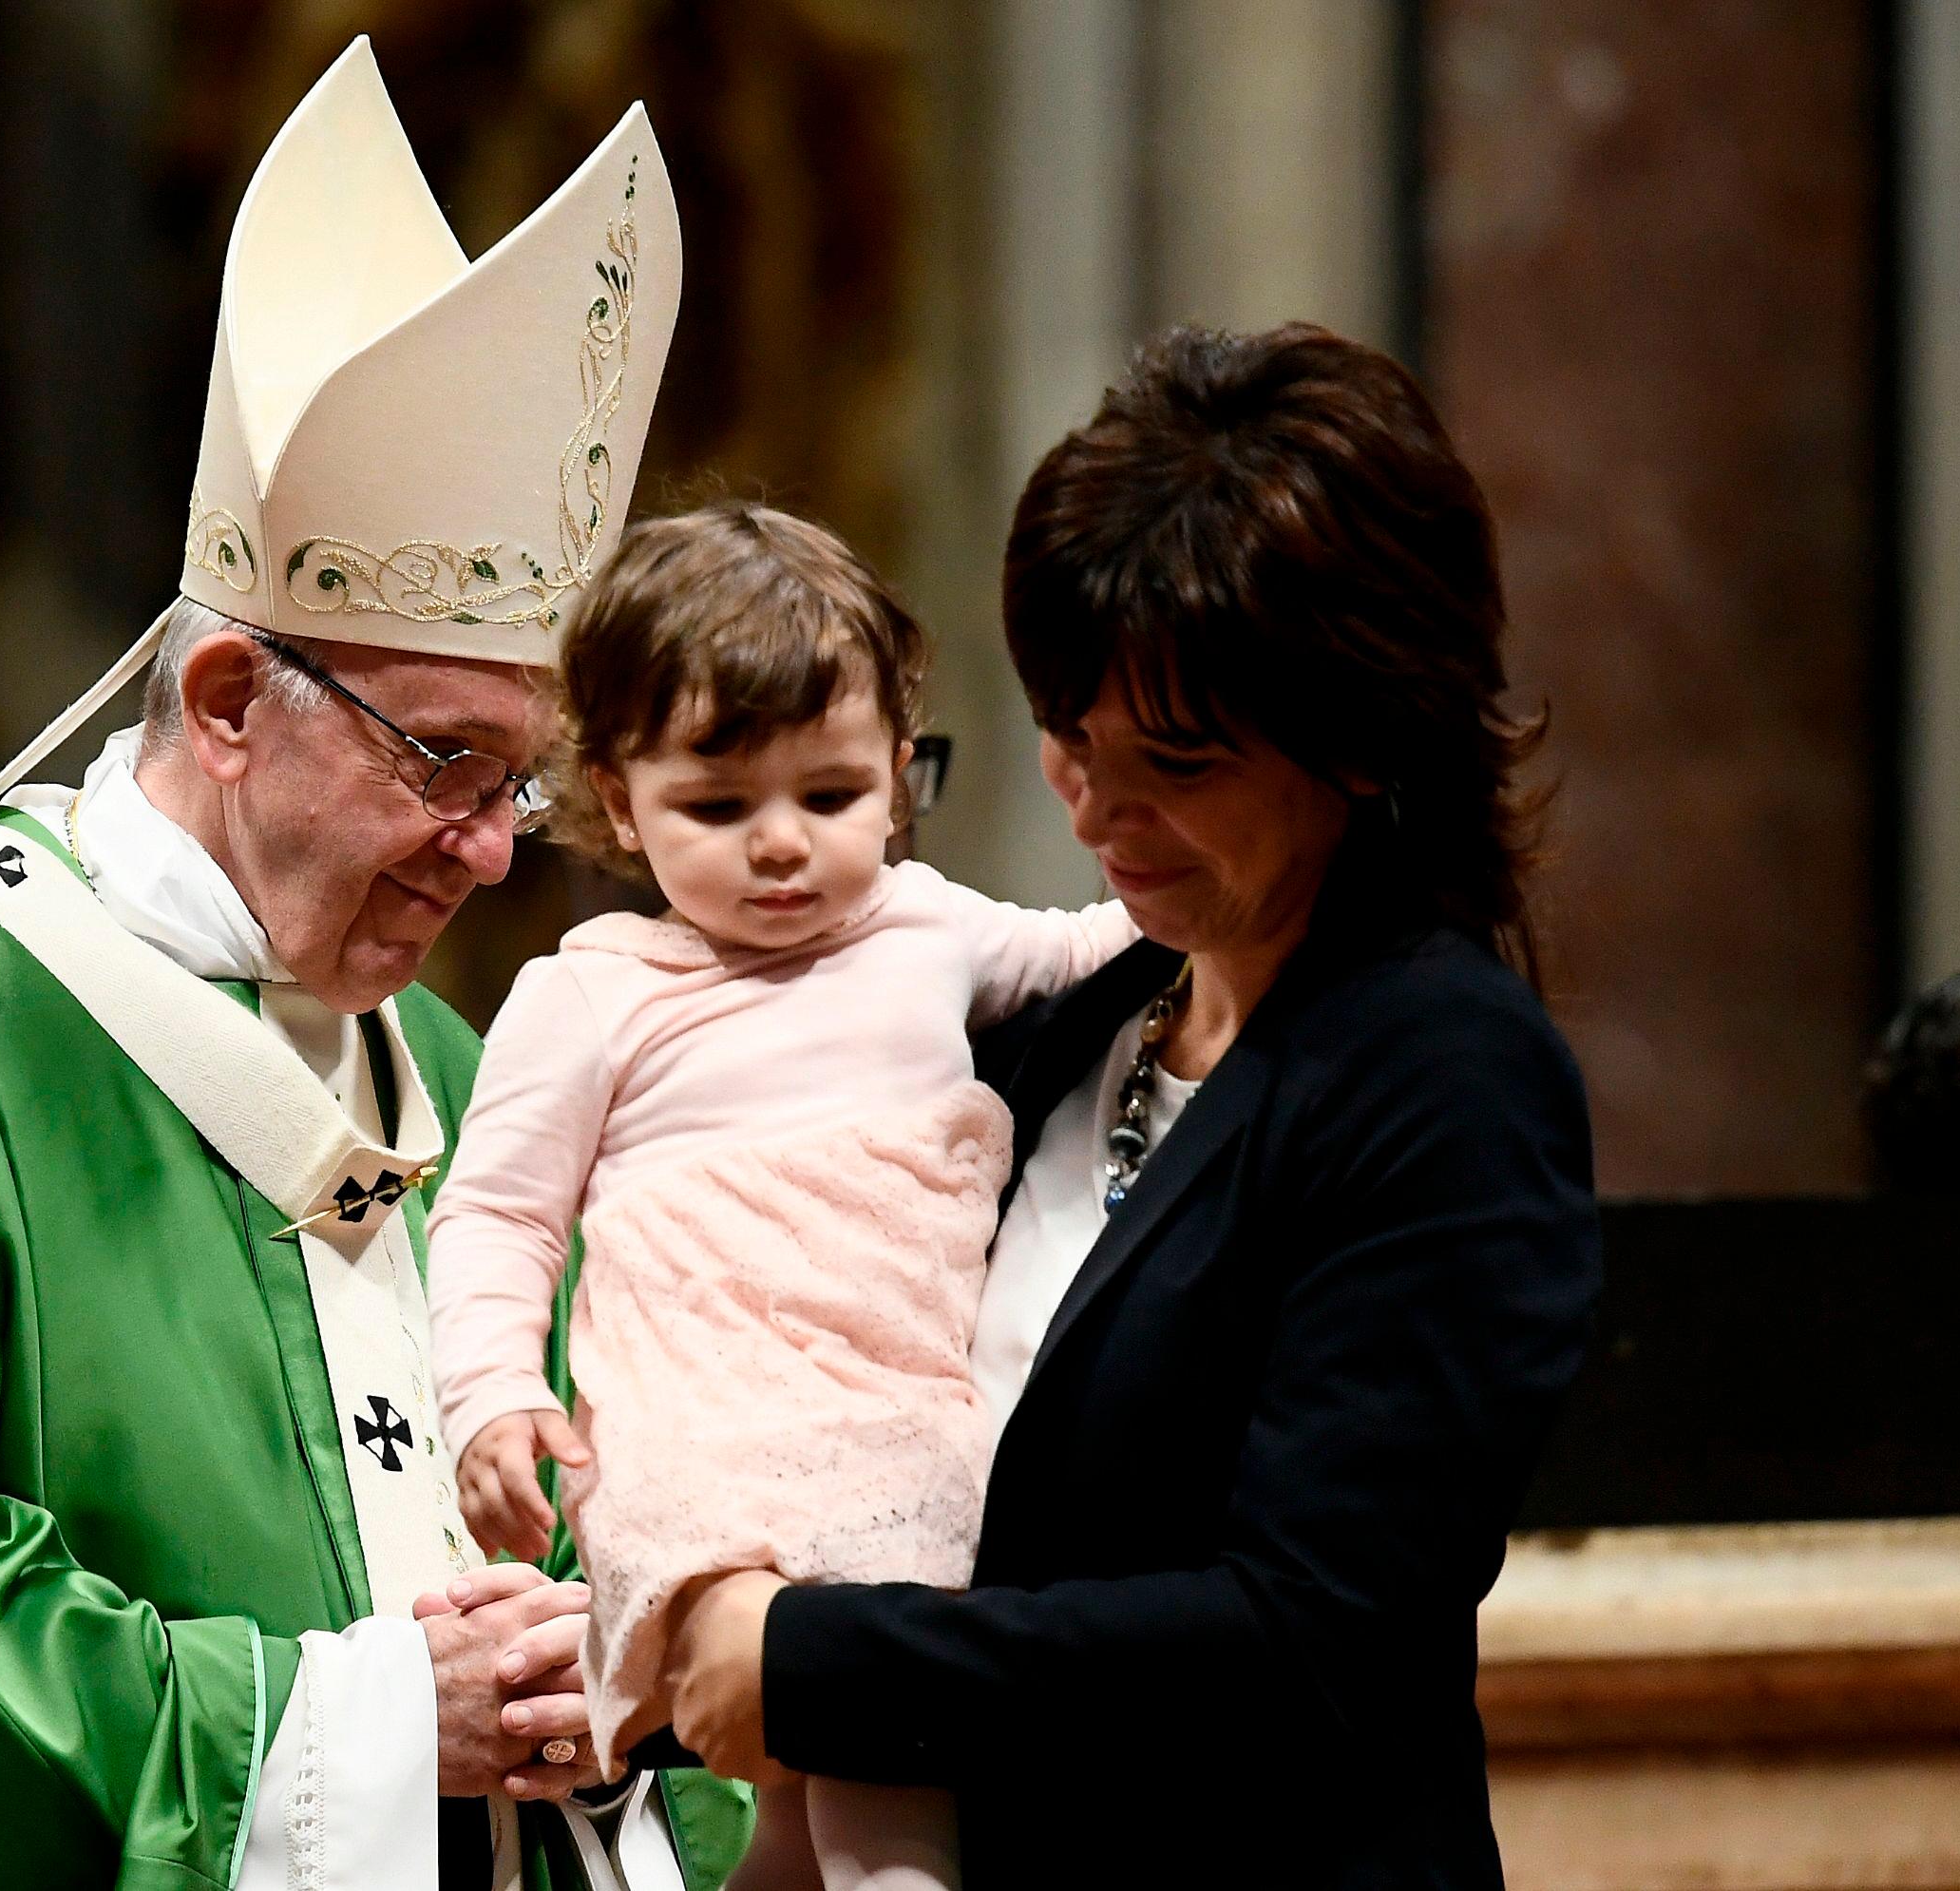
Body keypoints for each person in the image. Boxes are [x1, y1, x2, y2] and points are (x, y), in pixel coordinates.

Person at [0, 40, 749, 1891]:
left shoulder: (447, 1074)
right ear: (224, 699)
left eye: (519, 782)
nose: (491, 846)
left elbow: (642, 1526)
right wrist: (365, 1725)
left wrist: (609, 1688)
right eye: (442, 762)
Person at [659, 323, 1605, 1886]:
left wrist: (814, 1661)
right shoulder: (1077, 1011)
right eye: (1063, 733)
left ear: (1363, 736)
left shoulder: (1443, 1072)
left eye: (1173, 756)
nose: (1097, 808)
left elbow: (1309, 1643)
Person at [425, 502, 1135, 1891]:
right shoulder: (591, 995)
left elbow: (1095, 950)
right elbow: (498, 1215)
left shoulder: (927, 925)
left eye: (831, 796)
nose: (781, 845)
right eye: (717, 805)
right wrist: (491, 1397)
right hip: (712, 1436)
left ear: (896, 776)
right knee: (875, 1752)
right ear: (618, 798)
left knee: (813, 1805)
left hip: (905, 1404)